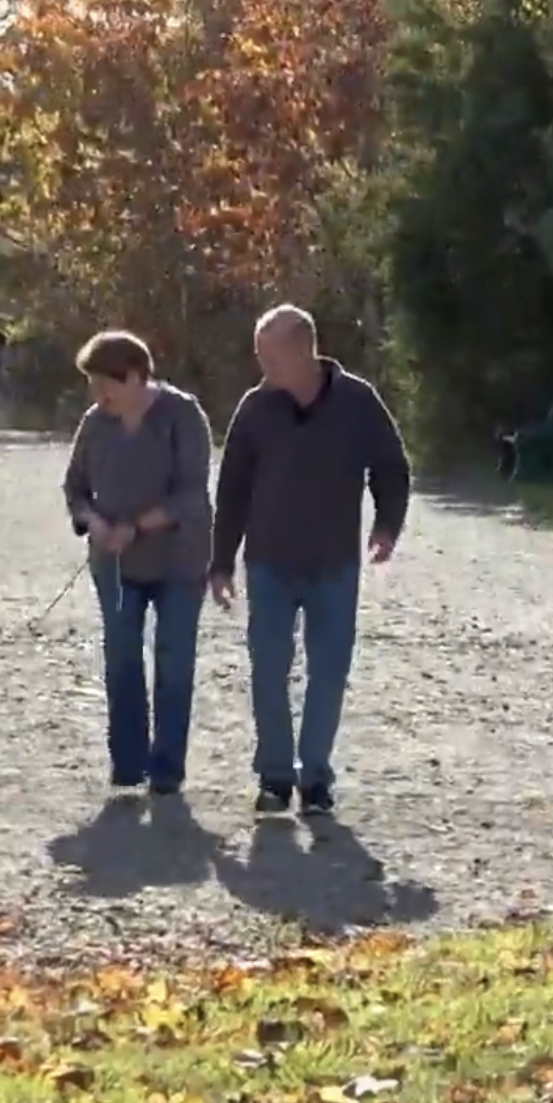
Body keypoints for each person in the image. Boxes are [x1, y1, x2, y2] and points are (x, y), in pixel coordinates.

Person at [208, 304, 411, 817]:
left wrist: (387, 525)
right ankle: (275, 776)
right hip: (269, 561)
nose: (263, 367)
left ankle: (315, 776)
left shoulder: (358, 402)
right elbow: (232, 490)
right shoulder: (256, 409)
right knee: (268, 669)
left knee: (328, 671)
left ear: (304, 350)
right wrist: (221, 561)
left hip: (333, 561)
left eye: (271, 356)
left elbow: (391, 466)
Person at [60, 330, 215, 796]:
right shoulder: (95, 424)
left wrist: (138, 526)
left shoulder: (182, 416)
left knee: (174, 661)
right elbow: (75, 487)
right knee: (122, 659)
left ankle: (166, 770)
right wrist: (93, 522)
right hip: (115, 564)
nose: (97, 395)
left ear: (132, 377)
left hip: (179, 561)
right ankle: (127, 765)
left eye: (104, 384)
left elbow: (191, 493)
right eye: (92, 385)